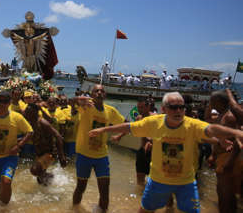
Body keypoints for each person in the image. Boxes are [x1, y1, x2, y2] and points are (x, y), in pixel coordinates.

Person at [88, 91, 243, 213]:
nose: (179, 111)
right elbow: (128, 127)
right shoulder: (153, 122)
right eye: (173, 107)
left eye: (181, 107)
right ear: (163, 109)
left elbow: (211, 129)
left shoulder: (192, 124)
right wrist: (103, 129)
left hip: (186, 183)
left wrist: (234, 134)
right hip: (158, 181)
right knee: (145, 210)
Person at [73, 84, 125, 212]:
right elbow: (71, 102)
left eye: (102, 91)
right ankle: (74, 209)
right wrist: (80, 99)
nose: (99, 93)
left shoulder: (110, 111)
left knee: (104, 190)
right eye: (96, 91)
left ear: (105, 95)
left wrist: (119, 135)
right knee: (81, 187)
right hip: (84, 154)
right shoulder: (85, 107)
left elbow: (125, 124)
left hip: (102, 156)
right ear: (92, 95)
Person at [206, 90, 242, 213]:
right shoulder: (221, 115)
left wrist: (230, 161)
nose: (211, 104)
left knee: (226, 195)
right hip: (222, 156)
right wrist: (212, 155)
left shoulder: (229, 117)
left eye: (213, 101)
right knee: (222, 192)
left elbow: (238, 139)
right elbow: (207, 119)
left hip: (229, 157)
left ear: (220, 102)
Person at [23, 103, 67, 185]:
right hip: (39, 153)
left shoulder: (42, 122)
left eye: (28, 112)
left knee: (35, 170)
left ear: (35, 112)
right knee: (40, 179)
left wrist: (61, 155)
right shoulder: (30, 123)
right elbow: (30, 136)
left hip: (49, 152)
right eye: (26, 111)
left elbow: (58, 136)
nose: (26, 113)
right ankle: (48, 189)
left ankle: (52, 177)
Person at [134, 97, 156, 186]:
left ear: (148, 107)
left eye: (142, 107)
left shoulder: (155, 118)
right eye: (138, 107)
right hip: (142, 151)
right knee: (140, 181)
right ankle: (139, 196)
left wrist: (150, 140)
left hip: (153, 153)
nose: (139, 110)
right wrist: (119, 136)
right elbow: (131, 128)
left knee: (155, 181)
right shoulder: (139, 118)